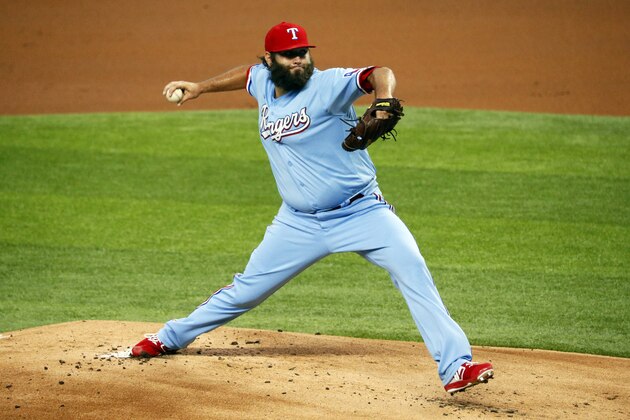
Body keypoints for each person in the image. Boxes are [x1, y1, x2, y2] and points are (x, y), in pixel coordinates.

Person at [130, 21, 493, 394]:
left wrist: (382, 99)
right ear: (271, 58)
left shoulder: (328, 85)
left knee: (412, 268)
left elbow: (378, 73)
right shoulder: (264, 82)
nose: (299, 61)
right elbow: (248, 75)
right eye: (289, 55)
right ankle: (169, 337)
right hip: (297, 224)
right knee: (246, 291)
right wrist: (201, 87)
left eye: (303, 53)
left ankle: (455, 366)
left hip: (361, 212)